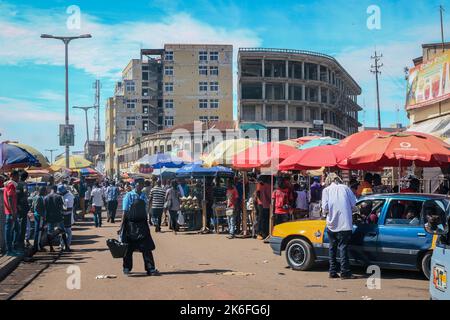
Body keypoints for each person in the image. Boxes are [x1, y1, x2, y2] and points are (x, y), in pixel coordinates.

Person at [322, 173, 357, 280]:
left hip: (331, 224)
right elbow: (354, 205)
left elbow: (324, 208)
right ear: (338, 179)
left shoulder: (326, 190)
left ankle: (332, 272)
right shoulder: (346, 188)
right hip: (345, 224)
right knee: (343, 248)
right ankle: (345, 272)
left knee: (332, 248)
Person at [120, 181, 158, 276]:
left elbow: (146, 209)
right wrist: (121, 226)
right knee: (128, 248)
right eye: (139, 184)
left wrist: (149, 220)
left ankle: (150, 268)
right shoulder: (129, 195)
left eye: (142, 185)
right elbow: (125, 211)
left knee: (146, 248)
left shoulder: (144, 196)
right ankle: (126, 268)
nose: (140, 186)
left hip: (142, 224)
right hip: (130, 224)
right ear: (135, 185)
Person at [44, 185, 68, 252]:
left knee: (49, 232)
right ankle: (66, 247)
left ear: (51, 189)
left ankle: (51, 248)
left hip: (49, 217)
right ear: (56, 189)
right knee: (63, 231)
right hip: (58, 216)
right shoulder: (59, 196)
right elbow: (61, 207)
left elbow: (45, 208)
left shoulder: (46, 197)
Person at [3, 170, 20, 256]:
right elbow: (10, 198)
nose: (18, 178)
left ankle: (11, 249)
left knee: (13, 230)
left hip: (10, 212)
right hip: (11, 213)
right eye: (17, 176)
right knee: (11, 231)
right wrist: (13, 212)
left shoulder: (8, 184)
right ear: (13, 176)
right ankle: (9, 250)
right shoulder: (11, 185)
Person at [14, 171, 30, 252]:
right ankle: (21, 244)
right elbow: (25, 192)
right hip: (23, 207)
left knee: (17, 226)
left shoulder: (16, 184)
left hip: (17, 207)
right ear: (26, 177)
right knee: (22, 226)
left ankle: (17, 243)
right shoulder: (24, 184)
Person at [255, 176, 271, 240]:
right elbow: (258, 192)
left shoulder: (260, 185)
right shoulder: (265, 185)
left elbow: (257, 192)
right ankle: (261, 233)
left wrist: (259, 199)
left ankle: (262, 233)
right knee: (263, 219)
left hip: (261, 203)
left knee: (261, 219)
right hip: (263, 204)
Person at [58, 185, 74, 252]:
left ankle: (67, 245)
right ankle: (62, 245)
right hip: (63, 216)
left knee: (68, 232)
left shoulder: (68, 197)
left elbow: (68, 209)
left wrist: (60, 210)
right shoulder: (64, 196)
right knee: (62, 231)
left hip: (67, 216)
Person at [31, 186, 47, 252]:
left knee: (38, 231)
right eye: (45, 191)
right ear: (42, 191)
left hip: (37, 215)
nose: (46, 192)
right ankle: (37, 247)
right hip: (39, 216)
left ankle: (37, 245)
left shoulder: (35, 197)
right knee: (39, 231)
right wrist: (43, 216)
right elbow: (37, 207)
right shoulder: (39, 198)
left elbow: (32, 207)